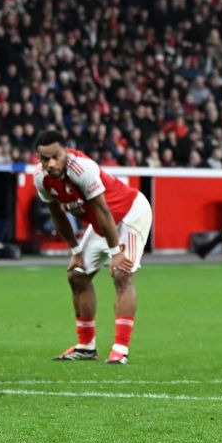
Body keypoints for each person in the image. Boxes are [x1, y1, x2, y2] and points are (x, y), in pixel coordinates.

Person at [33, 130, 153, 365]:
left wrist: (115, 253)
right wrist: (76, 251)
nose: (51, 163)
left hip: (129, 213)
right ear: (38, 158)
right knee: (76, 275)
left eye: (56, 156)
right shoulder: (41, 178)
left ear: (66, 151)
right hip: (102, 223)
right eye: (45, 159)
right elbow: (58, 216)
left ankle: (120, 349)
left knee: (121, 274)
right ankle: (86, 347)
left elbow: (103, 210)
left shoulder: (82, 169)